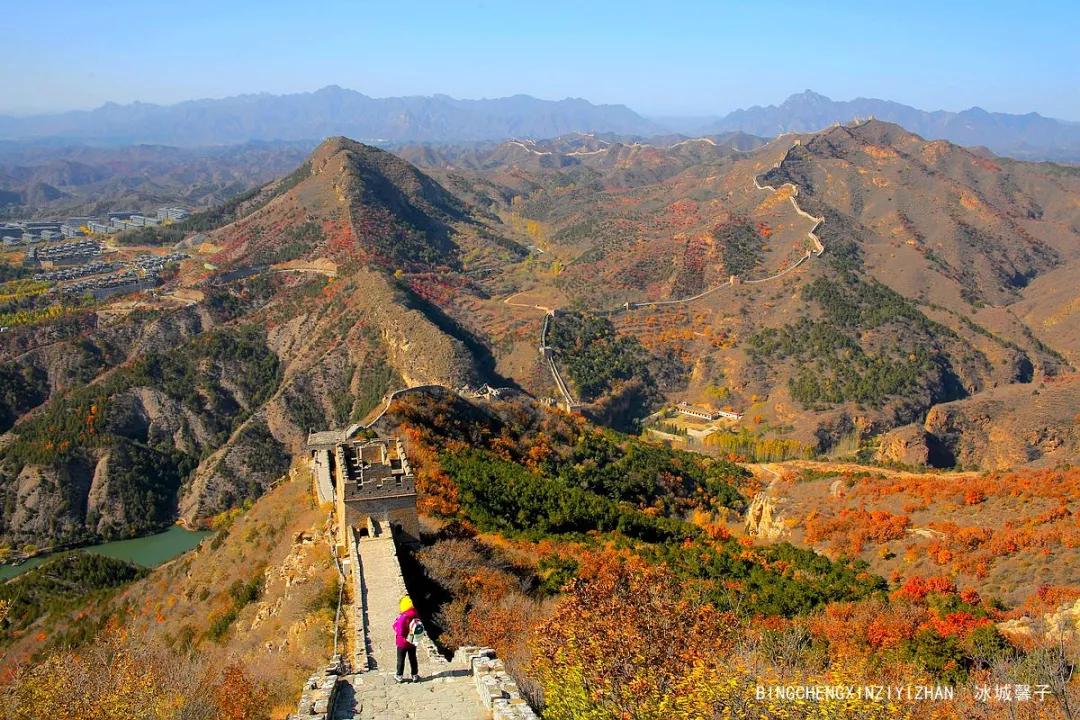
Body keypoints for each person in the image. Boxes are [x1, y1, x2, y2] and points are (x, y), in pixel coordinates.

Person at [393, 595, 421, 682]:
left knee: (401, 659)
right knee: (413, 658)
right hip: (413, 640)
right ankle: (414, 675)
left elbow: (400, 631)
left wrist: (395, 625)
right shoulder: (416, 614)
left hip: (402, 642)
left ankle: (399, 675)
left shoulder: (403, 617)